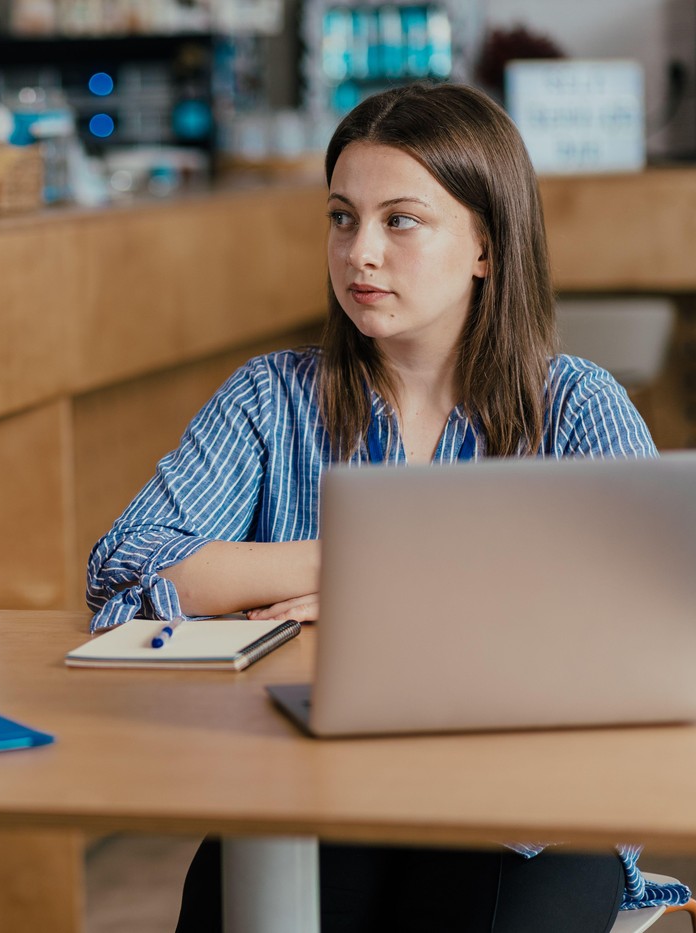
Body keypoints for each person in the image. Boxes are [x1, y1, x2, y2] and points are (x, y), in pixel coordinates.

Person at [86, 82, 688, 932]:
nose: (360, 253)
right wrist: (346, 567)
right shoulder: (269, 399)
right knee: (234, 892)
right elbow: (125, 563)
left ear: (485, 244)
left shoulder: (576, 406)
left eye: (400, 220)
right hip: (310, 792)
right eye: (342, 218)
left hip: (526, 819)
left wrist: (400, 596)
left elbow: (656, 622)